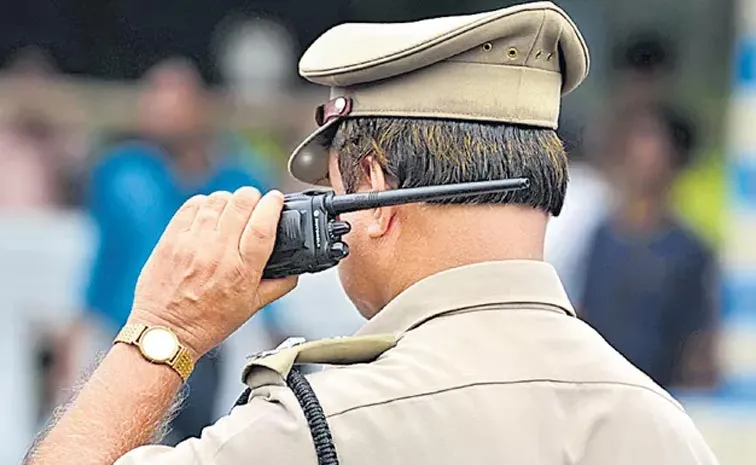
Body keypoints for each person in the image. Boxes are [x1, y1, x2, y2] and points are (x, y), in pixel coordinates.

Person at [24, 3, 719, 465]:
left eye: (335, 189)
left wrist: (164, 330)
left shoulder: (314, 427)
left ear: (377, 191)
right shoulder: (662, 427)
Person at [71, 58, 278, 444]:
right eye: (154, 96)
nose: (162, 108)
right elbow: (102, 263)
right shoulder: (120, 174)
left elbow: (265, 270)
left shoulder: (241, 180)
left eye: (175, 96)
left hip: (216, 338)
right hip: (125, 332)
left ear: (201, 105)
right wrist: (78, 334)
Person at [579, 104, 719, 391]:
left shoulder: (690, 251)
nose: (638, 153)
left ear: (674, 160)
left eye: (649, 141)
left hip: (659, 396)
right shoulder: (600, 236)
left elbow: (698, 347)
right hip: (597, 391)